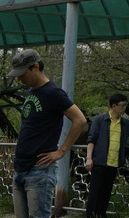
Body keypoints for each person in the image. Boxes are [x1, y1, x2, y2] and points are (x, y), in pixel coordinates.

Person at [6, 48, 87, 218]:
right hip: (21, 167)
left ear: (35, 67)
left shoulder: (53, 93)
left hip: (40, 171)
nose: (20, 78)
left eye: (22, 73)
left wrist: (61, 151)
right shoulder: (30, 92)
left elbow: (80, 120)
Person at [84, 93, 129, 218]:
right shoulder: (100, 120)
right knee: (94, 192)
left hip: (113, 163)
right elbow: (91, 139)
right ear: (114, 106)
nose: (124, 108)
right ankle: (90, 215)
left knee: (106, 192)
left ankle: (101, 214)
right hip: (99, 162)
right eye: (123, 106)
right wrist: (89, 158)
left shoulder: (125, 123)